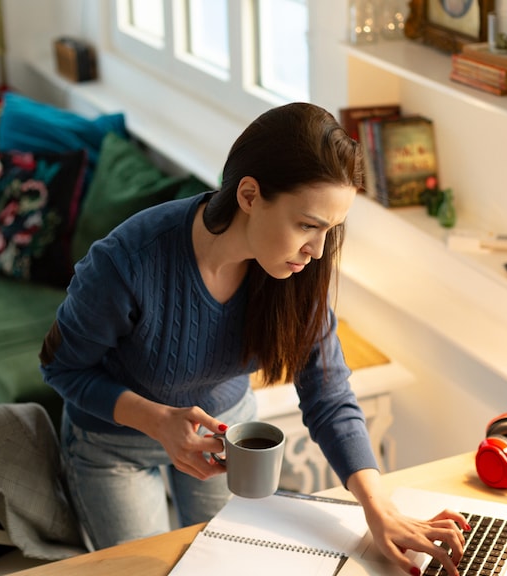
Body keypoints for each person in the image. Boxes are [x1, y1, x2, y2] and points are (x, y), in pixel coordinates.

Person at [39, 102, 468, 575]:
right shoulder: (127, 261)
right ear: (248, 195)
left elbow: (328, 393)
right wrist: (159, 421)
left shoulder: (299, 269)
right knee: (146, 571)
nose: (319, 250)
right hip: (113, 445)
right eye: (307, 225)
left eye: (331, 229)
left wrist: (378, 506)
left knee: (229, 566)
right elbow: (61, 366)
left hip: (226, 437)